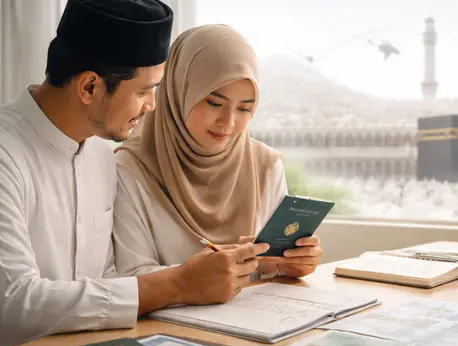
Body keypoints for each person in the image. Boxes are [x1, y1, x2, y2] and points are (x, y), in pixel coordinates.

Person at [0, 1, 268, 346]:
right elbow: (10, 304)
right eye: (142, 91)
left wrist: (219, 271)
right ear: (89, 87)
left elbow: (104, 281)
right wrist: (177, 284)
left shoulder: (102, 154)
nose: (152, 105)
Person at [113, 24, 324, 299]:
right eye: (213, 102)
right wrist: (195, 279)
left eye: (244, 108)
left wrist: (288, 264)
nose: (228, 122)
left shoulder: (265, 166)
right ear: (178, 92)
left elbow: (268, 264)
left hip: (258, 328)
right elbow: (127, 281)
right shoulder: (129, 169)